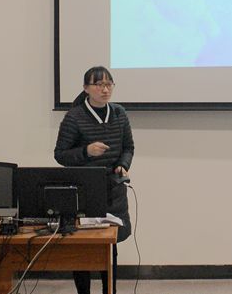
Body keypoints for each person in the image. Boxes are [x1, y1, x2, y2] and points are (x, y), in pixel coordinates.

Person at [54, 66, 134, 294]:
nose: (105, 89)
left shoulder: (119, 113)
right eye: (99, 85)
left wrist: (123, 164)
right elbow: (61, 155)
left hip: (113, 192)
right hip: (84, 193)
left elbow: (128, 147)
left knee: (110, 246)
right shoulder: (74, 117)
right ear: (86, 88)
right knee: (83, 249)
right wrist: (86, 151)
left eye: (109, 84)